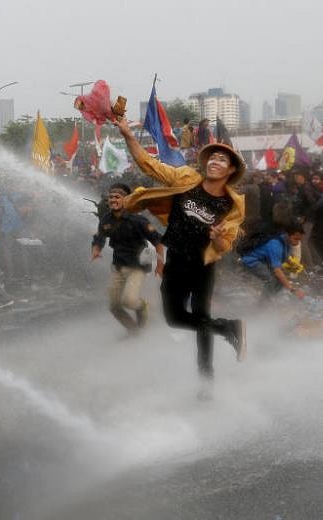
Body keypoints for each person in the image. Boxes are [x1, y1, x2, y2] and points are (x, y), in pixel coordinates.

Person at [114, 115, 246, 391]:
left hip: (202, 265)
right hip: (176, 261)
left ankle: (205, 381)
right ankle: (228, 328)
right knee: (175, 318)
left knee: (201, 317)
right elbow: (149, 165)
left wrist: (218, 238)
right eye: (213, 157)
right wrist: (127, 135)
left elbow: (225, 246)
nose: (215, 161)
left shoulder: (232, 205)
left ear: (231, 170)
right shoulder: (187, 177)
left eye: (222, 159)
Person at [91, 183, 165, 334]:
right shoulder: (106, 219)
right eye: (111, 197)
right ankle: (133, 331)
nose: (113, 200)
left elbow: (158, 242)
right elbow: (99, 237)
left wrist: (160, 264)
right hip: (118, 267)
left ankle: (142, 307)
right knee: (114, 306)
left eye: (117, 197)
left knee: (129, 301)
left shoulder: (138, 220)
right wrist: (96, 249)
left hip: (137, 267)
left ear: (126, 200)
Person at [240, 221, 306, 303]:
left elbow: (283, 256)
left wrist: (291, 263)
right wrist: (293, 290)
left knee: (281, 282)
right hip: (251, 261)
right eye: (295, 239)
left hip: (264, 262)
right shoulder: (275, 244)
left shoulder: (286, 241)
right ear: (287, 234)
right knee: (271, 280)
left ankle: (267, 299)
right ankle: (261, 306)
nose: (297, 243)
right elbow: (277, 271)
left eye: (300, 240)